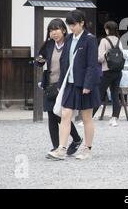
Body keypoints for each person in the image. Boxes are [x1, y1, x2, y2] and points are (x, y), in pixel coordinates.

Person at [47, 10, 101, 160]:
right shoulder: (69, 38)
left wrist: (88, 84)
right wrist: (61, 83)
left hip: (84, 85)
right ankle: (61, 149)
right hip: (69, 84)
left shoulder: (90, 39)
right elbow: (65, 61)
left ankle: (87, 150)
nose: (71, 28)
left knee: (86, 118)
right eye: (70, 25)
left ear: (82, 22)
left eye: (74, 24)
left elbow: (92, 64)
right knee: (65, 115)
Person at [35, 19, 82, 157]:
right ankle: (57, 146)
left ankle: (76, 140)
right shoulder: (49, 45)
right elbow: (40, 59)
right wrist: (39, 61)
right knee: (51, 115)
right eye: (51, 30)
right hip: (50, 84)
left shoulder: (69, 43)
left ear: (63, 30)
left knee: (61, 115)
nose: (54, 33)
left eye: (56, 29)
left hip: (65, 84)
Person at [93, 21, 123, 127]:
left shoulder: (104, 41)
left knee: (99, 94)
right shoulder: (119, 41)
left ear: (107, 29)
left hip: (107, 71)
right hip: (118, 71)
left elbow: (100, 58)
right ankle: (114, 118)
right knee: (115, 94)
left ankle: (89, 117)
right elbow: (123, 56)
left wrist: (105, 55)